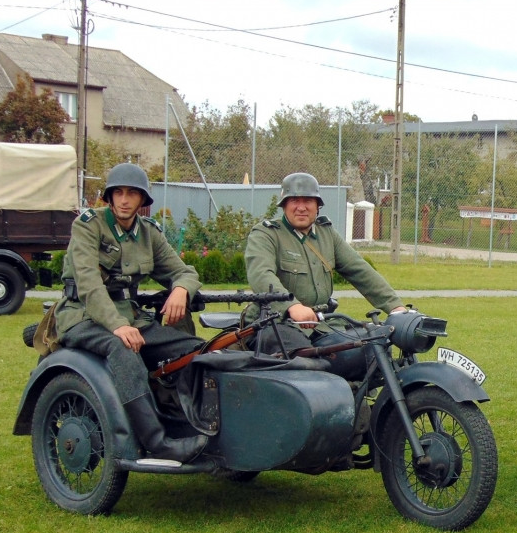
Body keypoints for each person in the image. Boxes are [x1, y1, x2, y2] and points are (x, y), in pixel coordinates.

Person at [54, 163, 207, 462]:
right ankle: (158, 441)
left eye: (132, 194)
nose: (125, 200)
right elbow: (88, 284)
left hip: (131, 317)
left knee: (195, 350)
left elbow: (183, 271)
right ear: (110, 198)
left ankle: (191, 424)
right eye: (119, 193)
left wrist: (181, 289)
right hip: (82, 315)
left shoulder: (149, 233)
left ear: (142, 201)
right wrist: (116, 325)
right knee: (123, 349)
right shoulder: (87, 225)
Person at [244, 172, 405, 356]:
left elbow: (360, 271)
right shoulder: (267, 234)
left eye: (308, 201)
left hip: (322, 325)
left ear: (317, 206)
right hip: (275, 323)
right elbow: (261, 275)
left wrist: (395, 307)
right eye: (294, 200)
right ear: (284, 206)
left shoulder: (326, 234)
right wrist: (292, 307)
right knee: (305, 359)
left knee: (370, 348)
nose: (301, 207)